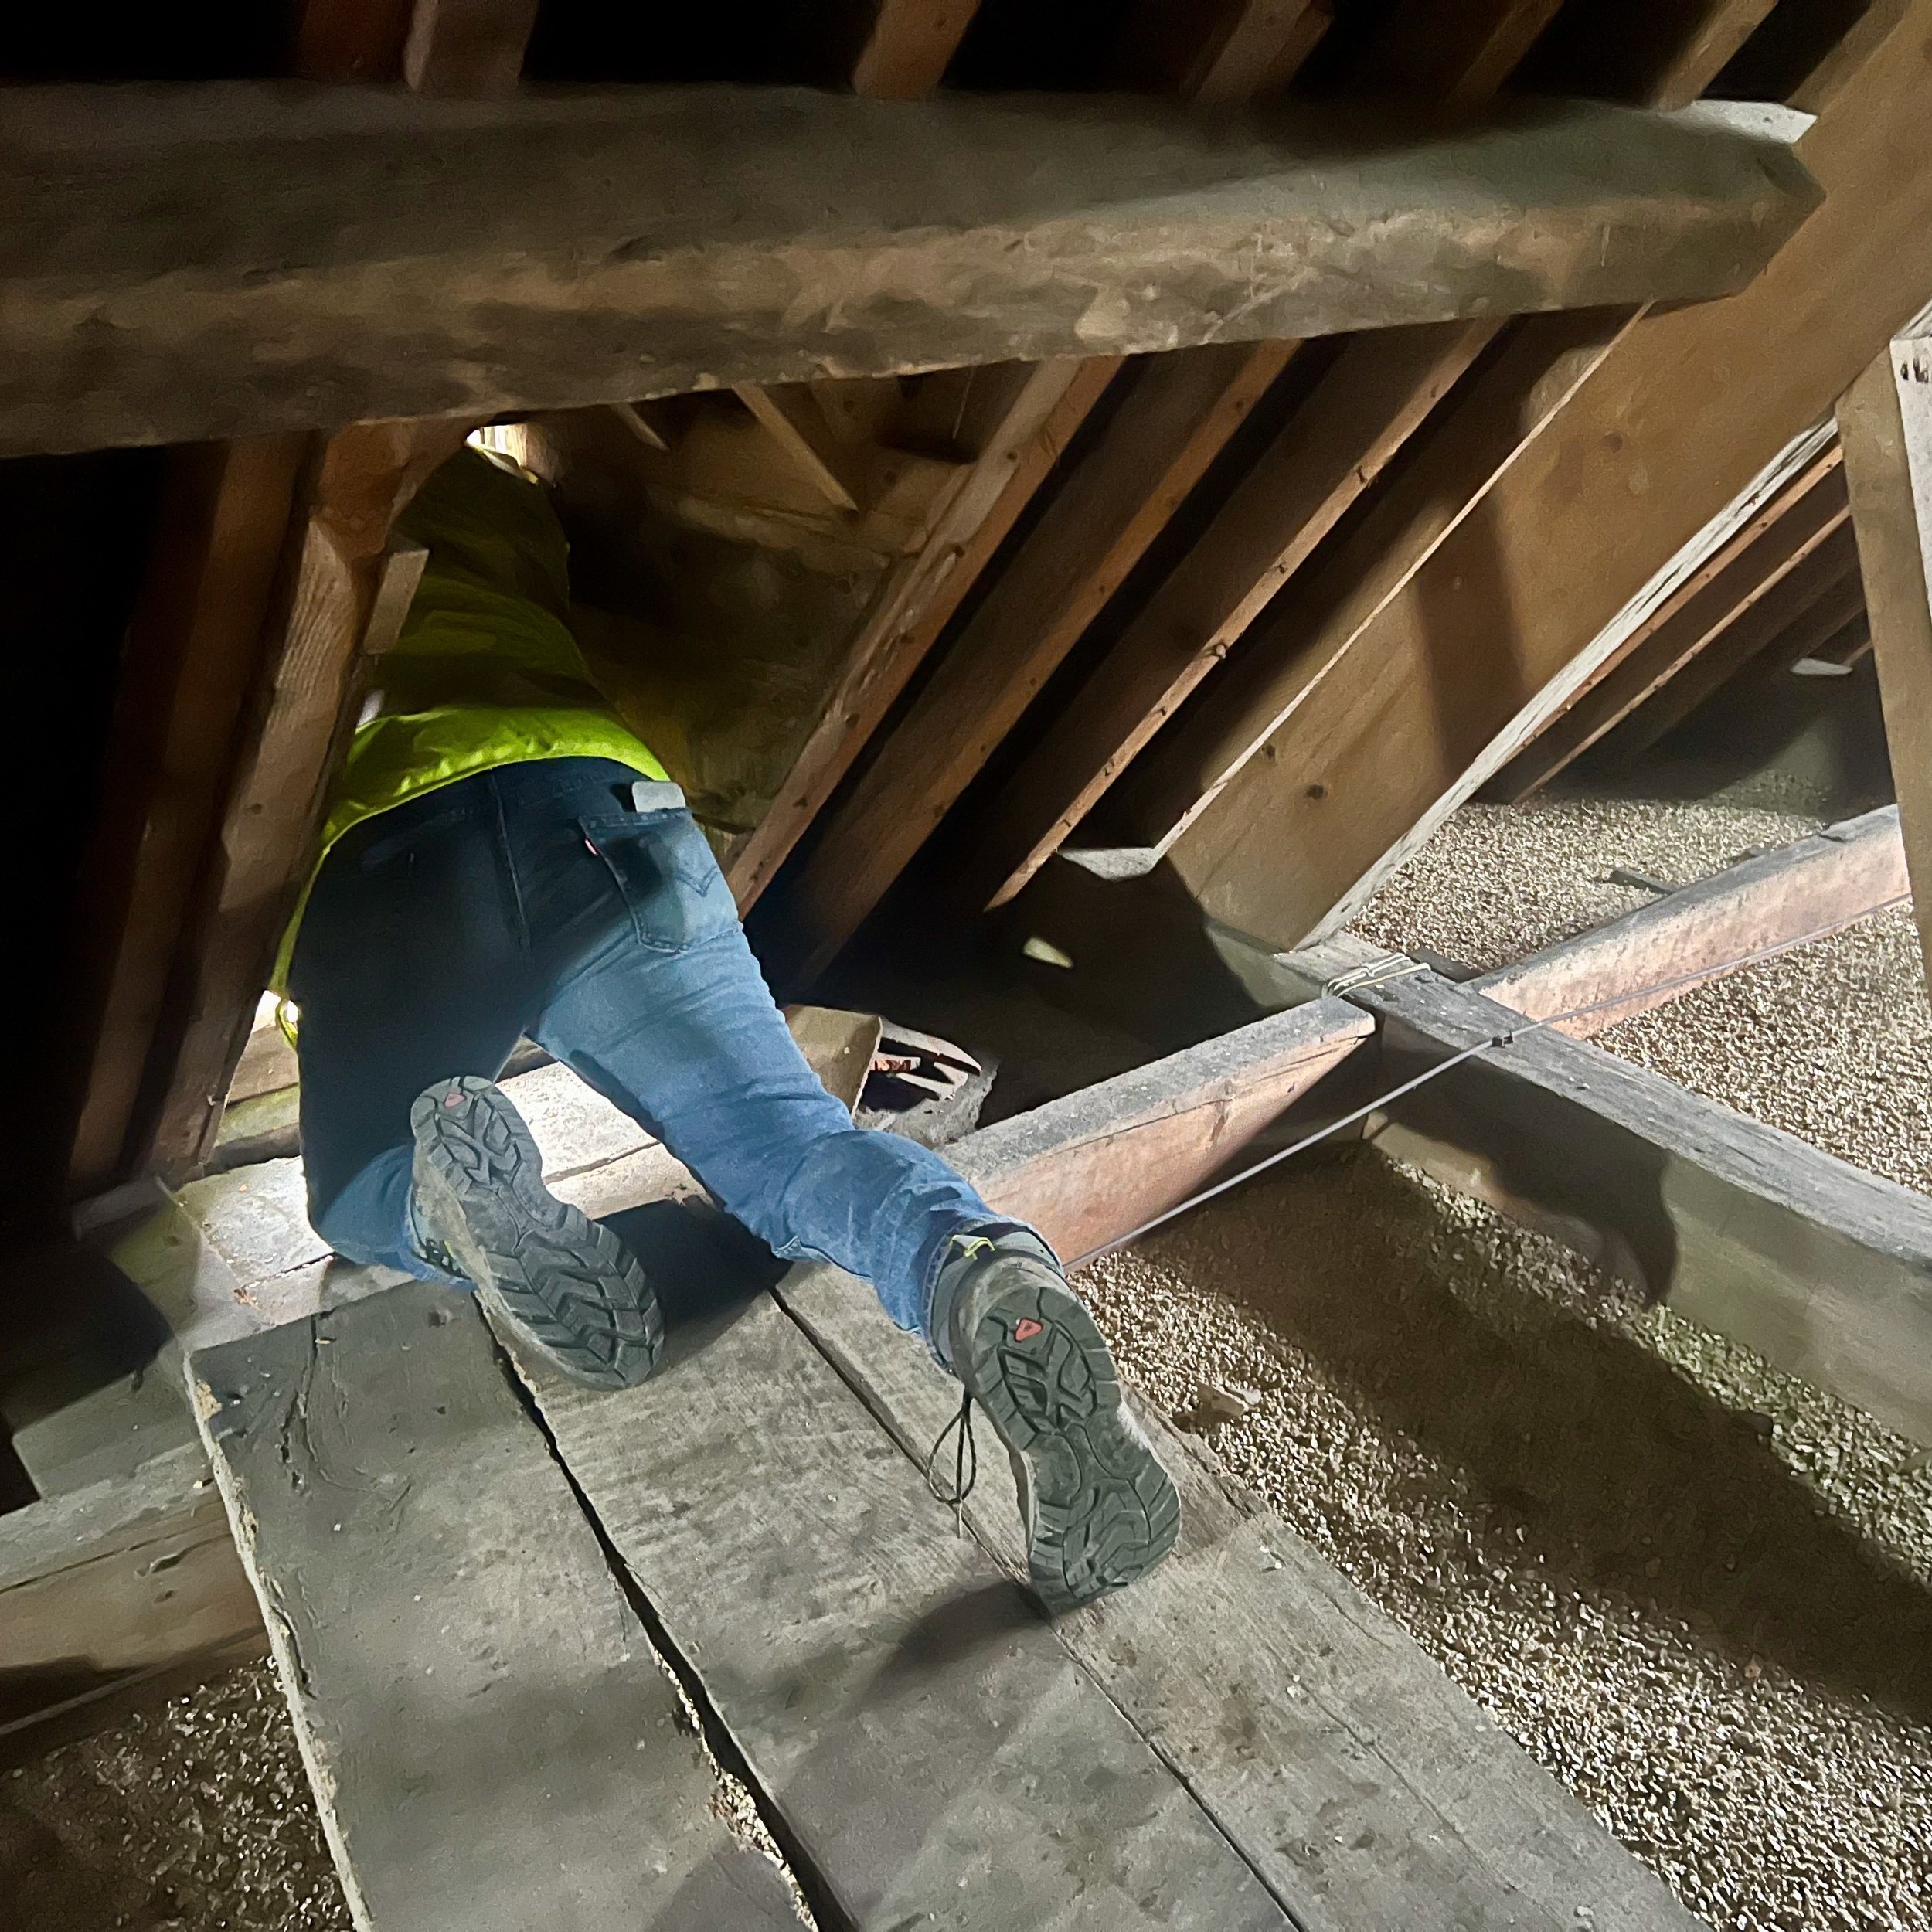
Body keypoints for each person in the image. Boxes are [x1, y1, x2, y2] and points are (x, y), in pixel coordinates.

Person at [284, 444, 1177, 1613]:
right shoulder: (498, 491)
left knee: (358, 1189)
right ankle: (970, 1272)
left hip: (395, 854)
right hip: (606, 815)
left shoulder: (267, 496)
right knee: (787, 1141)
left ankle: (454, 1209)